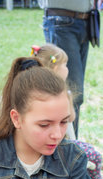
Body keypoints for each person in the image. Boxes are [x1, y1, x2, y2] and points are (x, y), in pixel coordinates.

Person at [32, 44, 103, 179]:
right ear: (55, 67)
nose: (67, 69)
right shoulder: (63, 93)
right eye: (65, 65)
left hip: (54, 144)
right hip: (61, 145)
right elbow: (71, 117)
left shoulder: (32, 90)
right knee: (94, 156)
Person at [39, 0, 92, 139]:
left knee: (74, 93)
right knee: (70, 91)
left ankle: (69, 144)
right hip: (61, 19)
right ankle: (65, 146)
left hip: (85, 19)